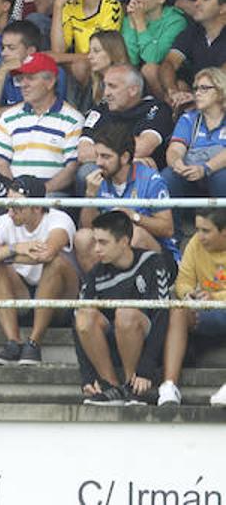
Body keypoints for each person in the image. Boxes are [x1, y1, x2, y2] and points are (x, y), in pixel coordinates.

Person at [75, 209, 173, 406]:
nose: (96, 249)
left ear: (124, 241)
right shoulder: (96, 273)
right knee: (84, 315)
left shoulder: (153, 262)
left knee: (125, 313)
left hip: (149, 342)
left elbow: (163, 316)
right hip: (114, 341)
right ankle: (110, 386)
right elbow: (77, 322)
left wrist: (146, 368)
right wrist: (87, 375)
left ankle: (132, 385)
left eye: (103, 242)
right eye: (95, 242)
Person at [0, 194, 80, 367]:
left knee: (56, 263)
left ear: (37, 207)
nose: (10, 212)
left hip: (59, 300)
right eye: (9, 206)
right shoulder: (2, 221)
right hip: (21, 294)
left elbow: (46, 254)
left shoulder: (59, 219)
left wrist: (5, 254)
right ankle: (13, 343)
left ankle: (33, 344)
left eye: (17, 208)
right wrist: (15, 248)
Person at [77, 125, 177, 275]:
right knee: (82, 238)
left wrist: (133, 216)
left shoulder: (151, 179)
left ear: (124, 157)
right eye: (97, 155)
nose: (98, 162)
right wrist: (90, 195)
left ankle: (135, 292)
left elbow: (167, 229)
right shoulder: (97, 180)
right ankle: (99, 290)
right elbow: (88, 227)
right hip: (112, 249)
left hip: (160, 258)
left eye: (105, 156)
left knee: (134, 234)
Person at [158, 207, 226, 406]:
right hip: (205, 310)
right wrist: (189, 293)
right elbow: (183, 281)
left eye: (206, 231)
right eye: (197, 229)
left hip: (218, 305)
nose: (199, 236)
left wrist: (214, 297)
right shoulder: (195, 243)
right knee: (178, 310)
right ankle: (169, 386)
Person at [0, 52, 83, 195]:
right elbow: (0, 161)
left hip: (52, 195)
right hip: (13, 194)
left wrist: (38, 192)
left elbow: (71, 169)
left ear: (50, 82)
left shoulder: (73, 119)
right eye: (21, 78)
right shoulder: (8, 117)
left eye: (31, 78)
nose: (23, 84)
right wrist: (15, 191)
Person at [51, 0, 124, 86]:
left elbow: (105, 54)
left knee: (79, 65)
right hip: (80, 65)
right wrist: (57, 6)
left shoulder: (111, 6)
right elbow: (58, 50)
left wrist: (59, 57)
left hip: (106, 66)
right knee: (64, 67)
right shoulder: (70, 5)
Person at [160, 68, 226, 199]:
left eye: (204, 88)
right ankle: (173, 220)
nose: (197, 94)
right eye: (196, 89)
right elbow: (174, 150)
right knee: (168, 175)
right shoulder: (188, 119)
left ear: (220, 92)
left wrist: (206, 168)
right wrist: (177, 164)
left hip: (218, 172)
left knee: (221, 177)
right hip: (192, 172)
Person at [161, 0, 226, 110]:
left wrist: (195, 97)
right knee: (177, 84)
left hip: (220, 96)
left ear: (223, 8)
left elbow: (222, 75)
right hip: (197, 92)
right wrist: (173, 91)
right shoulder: (193, 30)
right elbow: (169, 63)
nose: (196, 3)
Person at [123, 0, 188, 100]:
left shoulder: (175, 21)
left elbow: (153, 58)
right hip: (137, 76)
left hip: (170, 76)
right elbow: (130, 61)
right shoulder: (131, 17)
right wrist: (131, 22)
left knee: (150, 70)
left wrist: (140, 23)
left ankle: (166, 110)